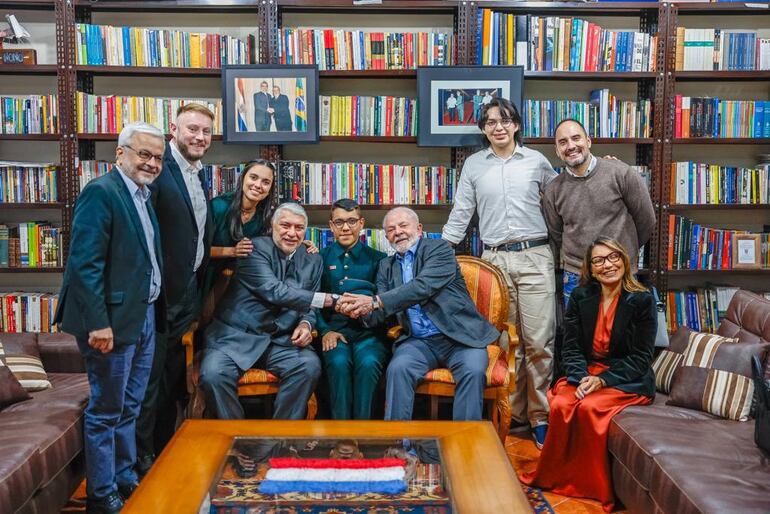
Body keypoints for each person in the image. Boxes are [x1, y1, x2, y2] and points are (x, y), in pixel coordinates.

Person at [54, 122, 166, 514]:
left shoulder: (142, 196)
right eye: (144, 154)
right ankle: (101, 494)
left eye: (157, 157)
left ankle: (124, 477)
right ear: (121, 153)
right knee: (106, 410)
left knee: (131, 405)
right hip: (111, 323)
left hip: (144, 315)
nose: (151, 163)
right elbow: (84, 265)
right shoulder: (101, 192)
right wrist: (98, 322)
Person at [441, 97, 557, 449]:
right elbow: (462, 212)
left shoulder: (537, 161)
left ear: (517, 125)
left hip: (535, 255)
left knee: (539, 342)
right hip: (494, 260)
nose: (498, 127)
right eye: (490, 122)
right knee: (506, 342)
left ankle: (540, 418)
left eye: (505, 120)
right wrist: (440, 250)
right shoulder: (475, 166)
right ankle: (514, 413)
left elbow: (561, 201)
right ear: (483, 129)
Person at [520, 237, 656, 512]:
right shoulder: (581, 297)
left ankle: (594, 487)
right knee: (561, 403)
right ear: (590, 268)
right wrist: (582, 377)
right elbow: (570, 347)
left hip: (624, 376)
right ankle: (556, 477)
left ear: (624, 259)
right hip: (586, 371)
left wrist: (602, 381)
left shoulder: (642, 299)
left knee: (591, 406)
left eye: (613, 257)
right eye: (599, 260)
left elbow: (641, 357)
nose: (608, 265)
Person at [337, 207, 499, 421]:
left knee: (472, 372)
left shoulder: (439, 250)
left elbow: (422, 287)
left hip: (461, 338)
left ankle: (464, 447)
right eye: (391, 229)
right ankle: (398, 446)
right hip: (419, 342)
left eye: (403, 225)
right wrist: (356, 309)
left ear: (419, 229)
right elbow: (381, 311)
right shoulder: (386, 266)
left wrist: (374, 302)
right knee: (398, 369)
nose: (398, 232)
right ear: (386, 237)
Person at [199, 203, 335, 420]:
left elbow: (309, 306)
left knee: (308, 366)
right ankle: (239, 439)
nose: (292, 233)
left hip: (280, 341)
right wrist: (331, 300)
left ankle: (280, 438)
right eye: (285, 225)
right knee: (213, 374)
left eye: (299, 228)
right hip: (236, 338)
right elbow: (275, 291)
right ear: (273, 226)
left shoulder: (313, 259)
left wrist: (305, 324)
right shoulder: (254, 249)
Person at [135, 103, 214, 475]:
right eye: (192, 129)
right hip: (158, 297)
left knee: (168, 382)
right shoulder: (158, 172)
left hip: (187, 294)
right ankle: (143, 460)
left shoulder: (198, 174)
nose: (199, 137)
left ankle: (164, 453)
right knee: (149, 382)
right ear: (173, 129)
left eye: (206, 132)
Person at [543, 118, 656, 306]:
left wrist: (623, 254)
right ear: (557, 151)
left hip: (620, 272)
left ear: (588, 141)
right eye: (563, 142)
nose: (571, 146)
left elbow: (647, 221)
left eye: (576, 138)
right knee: (580, 334)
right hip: (577, 276)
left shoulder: (621, 173)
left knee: (623, 334)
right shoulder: (553, 190)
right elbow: (557, 234)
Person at [317, 198, 388, 420]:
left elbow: (385, 302)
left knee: (368, 364)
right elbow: (312, 300)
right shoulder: (319, 259)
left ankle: (364, 432)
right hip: (334, 331)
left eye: (351, 221)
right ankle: (340, 434)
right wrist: (324, 330)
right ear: (331, 226)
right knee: (337, 363)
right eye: (339, 222)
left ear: (361, 223)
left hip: (370, 333)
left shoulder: (379, 260)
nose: (345, 227)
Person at [202, 160, 276, 299]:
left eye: (266, 182)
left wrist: (305, 246)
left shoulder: (265, 217)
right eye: (253, 177)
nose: (258, 185)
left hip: (241, 286)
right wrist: (233, 251)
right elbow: (197, 249)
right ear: (243, 178)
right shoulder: (218, 206)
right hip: (206, 279)